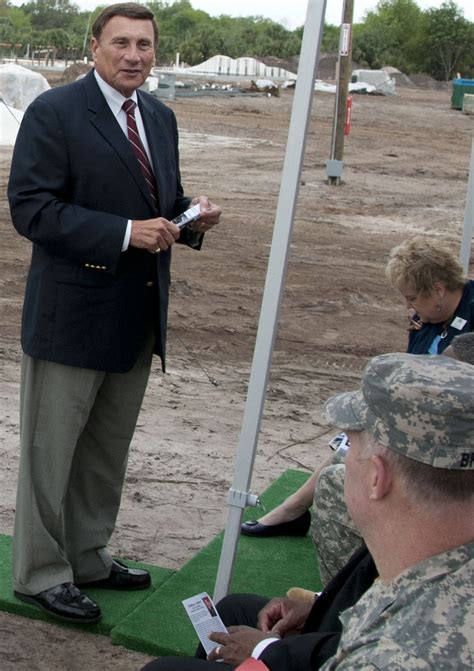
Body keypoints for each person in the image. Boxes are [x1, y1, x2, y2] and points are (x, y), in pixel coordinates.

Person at [7, 2, 221, 624]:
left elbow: (161, 198)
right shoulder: (56, 111)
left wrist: (191, 216)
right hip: (71, 318)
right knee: (51, 455)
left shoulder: (160, 115)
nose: (134, 56)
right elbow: (32, 210)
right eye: (121, 43)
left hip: (136, 314)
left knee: (106, 450)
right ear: (95, 46)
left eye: (145, 46)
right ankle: (40, 574)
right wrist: (126, 233)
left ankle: (89, 555)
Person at [141, 353, 474, 670]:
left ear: (377, 477)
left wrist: (265, 656)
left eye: (349, 445)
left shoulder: (394, 656)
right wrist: (318, 608)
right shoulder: (432, 564)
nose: (341, 460)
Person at [242, 235, 474, 540]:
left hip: (453, 435)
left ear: (439, 289)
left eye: (412, 297)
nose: (408, 305)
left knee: (366, 433)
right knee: (360, 432)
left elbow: (441, 375)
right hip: (424, 423)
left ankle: (295, 509)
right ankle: (295, 508)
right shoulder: (430, 313)